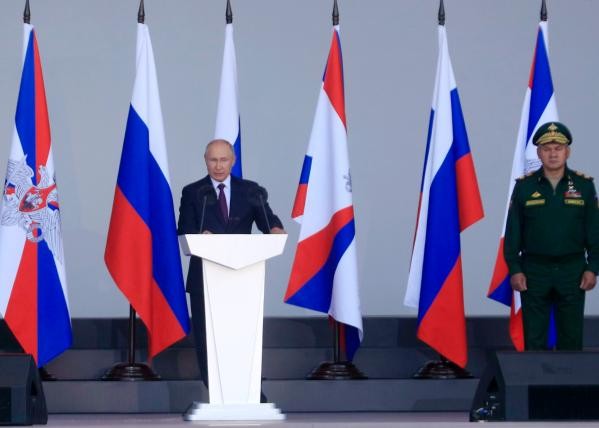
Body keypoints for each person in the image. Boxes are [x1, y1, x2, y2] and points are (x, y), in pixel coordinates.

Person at [177, 139, 284, 387]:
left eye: (223, 160)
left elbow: (268, 220)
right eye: (213, 160)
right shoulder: (193, 192)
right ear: (205, 161)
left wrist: (276, 229)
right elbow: (183, 229)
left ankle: (248, 390)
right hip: (204, 278)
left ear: (233, 161)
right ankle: (214, 390)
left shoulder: (250, 191)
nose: (218, 166)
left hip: (242, 278)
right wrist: (199, 236)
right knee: (208, 339)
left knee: (241, 336)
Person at [504, 121, 599, 350]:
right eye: (547, 149)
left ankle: (569, 376)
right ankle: (534, 376)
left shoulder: (584, 186)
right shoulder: (524, 187)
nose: (553, 154)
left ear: (567, 152)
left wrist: (593, 268)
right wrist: (515, 269)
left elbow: (595, 232)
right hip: (534, 271)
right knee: (534, 339)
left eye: (558, 148)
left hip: (572, 270)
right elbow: (513, 233)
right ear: (539, 153)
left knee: (571, 338)